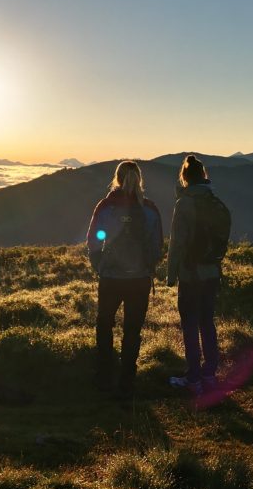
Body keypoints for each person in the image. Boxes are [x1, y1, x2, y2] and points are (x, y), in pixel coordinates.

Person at [86, 160, 163, 399]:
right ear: (139, 179)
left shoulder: (106, 207)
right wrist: (148, 267)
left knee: (104, 324)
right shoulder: (150, 209)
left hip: (111, 277)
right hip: (139, 279)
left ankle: (103, 376)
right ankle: (128, 380)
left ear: (117, 178)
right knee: (132, 330)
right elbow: (157, 245)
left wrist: (100, 265)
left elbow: (94, 239)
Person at [167, 154, 230, 395]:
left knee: (190, 325)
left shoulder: (184, 204)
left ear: (184, 178)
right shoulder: (215, 202)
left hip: (191, 274)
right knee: (207, 322)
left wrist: (171, 275)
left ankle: (193, 378)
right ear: (204, 176)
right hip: (212, 272)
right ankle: (210, 375)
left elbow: (177, 243)